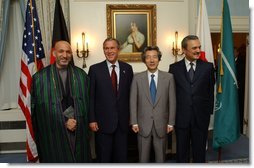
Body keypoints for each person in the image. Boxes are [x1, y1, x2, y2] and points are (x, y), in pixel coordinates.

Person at [31, 40, 91, 162]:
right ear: (54, 53)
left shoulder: (81, 75)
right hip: (53, 131)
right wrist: (64, 121)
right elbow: (40, 110)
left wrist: (75, 120)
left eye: (68, 52)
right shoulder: (40, 78)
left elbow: (87, 103)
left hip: (77, 127)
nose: (65, 55)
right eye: (61, 51)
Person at [169, 35, 215, 163]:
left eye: (199, 47)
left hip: (201, 118)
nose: (198, 50)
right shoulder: (174, 68)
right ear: (184, 50)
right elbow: (172, 94)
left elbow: (210, 92)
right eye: (194, 48)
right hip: (181, 118)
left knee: (199, 153)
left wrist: (208, 112)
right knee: (181, 153)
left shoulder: (208, 67)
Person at [88, 37, 133, 162]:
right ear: (103, 51)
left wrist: (132, 118)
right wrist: (92, 120)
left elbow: (130, 95)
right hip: (102, 124)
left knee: (121, 158)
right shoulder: (95, 69)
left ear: (118, 50)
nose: (109, 51)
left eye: (112, 48)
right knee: (104, 157)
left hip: (122, 123)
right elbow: (90, 96)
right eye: (106, 48)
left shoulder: (127, 69)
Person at [130, 46, 176, 163]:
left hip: (162, 124)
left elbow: (172, 101)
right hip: (142, 124)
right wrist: (134, 121)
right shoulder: (137, 78)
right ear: (144, 60)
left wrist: (171, 122)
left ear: (159, 59)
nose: (151, 60)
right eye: (148, 57)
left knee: (161, 158)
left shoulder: (169, 77)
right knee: (143, 158)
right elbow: (133, 101)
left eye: (155, 57)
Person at [234, 46, 246, 134]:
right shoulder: (226, 63)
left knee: (239, 111)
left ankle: (240, 130)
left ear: (237, 53)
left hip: (239, 93)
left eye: (234, 52)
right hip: (230, 94)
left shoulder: (242, 63)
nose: (232, 54)